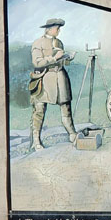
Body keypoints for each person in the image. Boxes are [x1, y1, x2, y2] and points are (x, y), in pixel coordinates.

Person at [29, 18, 78, 149]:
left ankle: (72, 134)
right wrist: (54, 58)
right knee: (39, 111)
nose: (59, 31)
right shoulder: (38, 43)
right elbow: (37, 62)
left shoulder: (59, 42)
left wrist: (67, 58)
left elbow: (60, 61)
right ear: (49, 29)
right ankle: (36, 141)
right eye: (57, 28)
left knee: (66, 108)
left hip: (60, 77)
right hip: (44, 79)